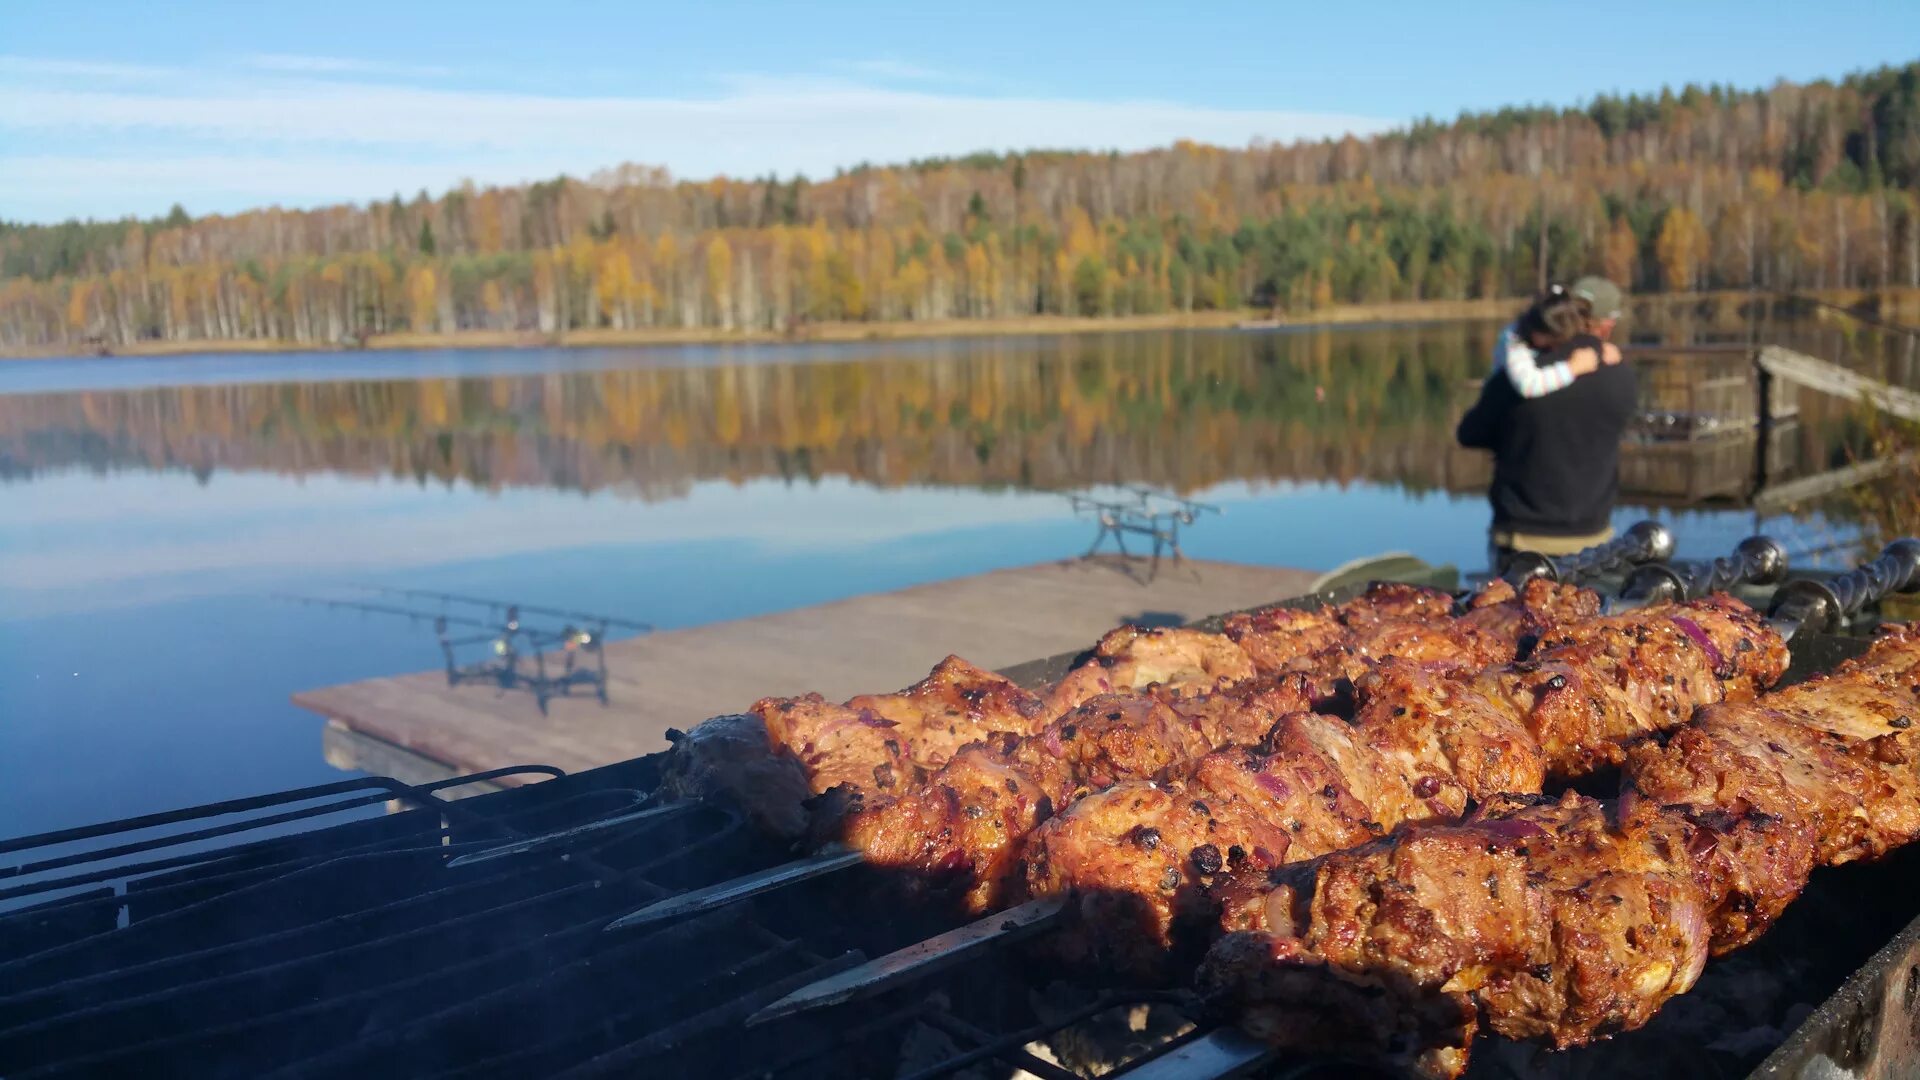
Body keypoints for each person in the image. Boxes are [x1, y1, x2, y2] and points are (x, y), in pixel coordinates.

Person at [1456, 277, 1635, 572]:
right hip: (1592, 536)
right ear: (1607, 325)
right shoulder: (1620, 375)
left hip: (1522, 540)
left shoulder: (1516, 378)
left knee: (1510, 617)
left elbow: (1470, 433)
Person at [1494, 282, 1624, 397]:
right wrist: (1572, 368)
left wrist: (1600, 350)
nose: (1558, 347)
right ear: (1537, 332)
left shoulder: (1547, 332)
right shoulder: (1514, 341)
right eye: (1555, 340)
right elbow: (1527, 385)